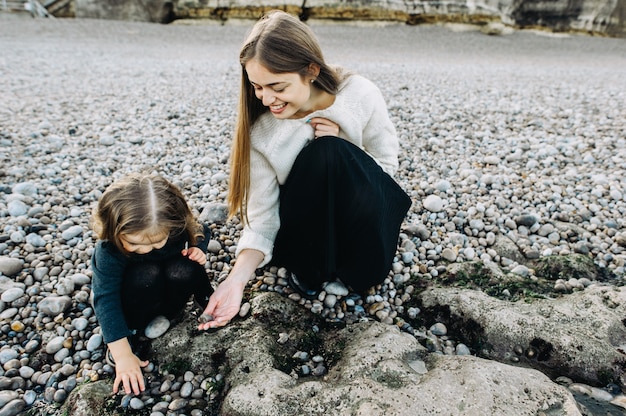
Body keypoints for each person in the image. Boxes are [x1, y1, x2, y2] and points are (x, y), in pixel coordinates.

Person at [198, 10, 410, 331]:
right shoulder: (262, 132)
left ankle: (351, 266)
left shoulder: (359, 94)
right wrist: (235, 281)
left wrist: (345, 150)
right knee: (322, 154)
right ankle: (312, 269)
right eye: (257, 87)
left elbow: (385, 172)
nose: (267, 98)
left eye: (277, 86)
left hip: (363, 237)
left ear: (311, 70)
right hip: (305, 247)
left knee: (330, 151)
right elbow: (263, 219)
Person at [90, 172, 213, 395]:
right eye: (135, 244)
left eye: (157, 242)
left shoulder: (174, 225)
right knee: (145, 272)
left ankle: (207, 301)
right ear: (114, 230)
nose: (146, 249)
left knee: (185, 266)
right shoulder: (109, 249)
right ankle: (133, 333)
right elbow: (105, 298)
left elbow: (202, 230)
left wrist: (198, 249)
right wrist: (122, 355)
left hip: (170, 294)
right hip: (135, 301)